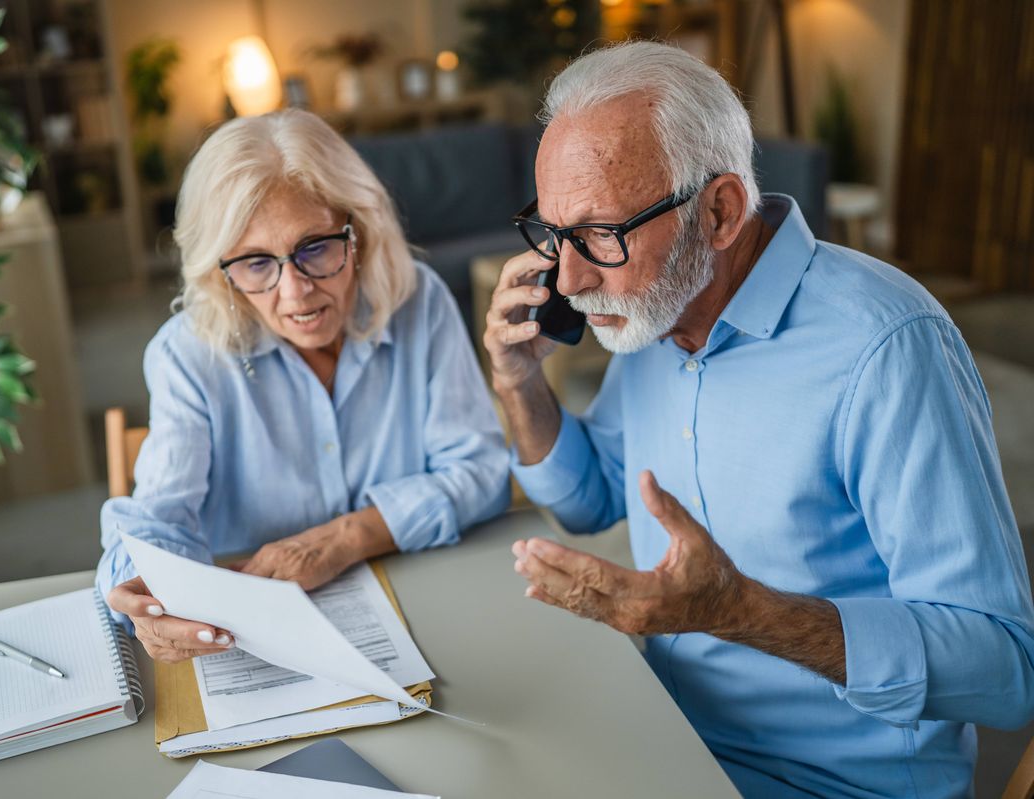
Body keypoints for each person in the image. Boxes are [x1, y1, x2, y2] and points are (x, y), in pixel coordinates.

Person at [488, 41, 1034, 797]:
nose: (571, 279)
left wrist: (741, 612)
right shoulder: (649, 309)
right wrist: (520, 385)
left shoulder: (887, 347)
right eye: (555, 234)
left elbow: (1006, 672)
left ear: (719, 211)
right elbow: (590, 500)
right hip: (668, 736)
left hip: (835, 783)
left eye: (601, 234)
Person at [99, 109, 509, 663]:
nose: (295, 293)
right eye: (254, 263)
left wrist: (349, 537)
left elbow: (482, 473)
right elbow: (158, 518)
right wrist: (140, 591)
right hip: (250, 641)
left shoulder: (421, 302)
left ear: (358, 230)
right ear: (220, 268)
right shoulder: (187, 353)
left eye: (315, 247)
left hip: (422, 608)